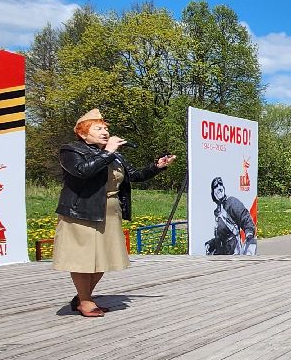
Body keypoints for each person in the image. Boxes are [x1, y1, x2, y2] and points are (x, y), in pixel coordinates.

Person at [53, 108, 176, 317]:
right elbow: (83, 171)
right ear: (83, 133)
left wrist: (156, 167)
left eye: (105, 128)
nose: (104, 132)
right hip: (82, 212)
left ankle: (83, 296)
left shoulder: (114, 156)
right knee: (83, 259)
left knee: (104, 258)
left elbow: (134, 175)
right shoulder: (71, 150)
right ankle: (85, 301)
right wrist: (107, 152)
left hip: (109, 211)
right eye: (98, 128)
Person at [205, 176, 256, 256]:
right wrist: (211, 244)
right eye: (216, 186)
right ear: (213, 192)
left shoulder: (232, 202)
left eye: (220, 185)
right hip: (222, 254)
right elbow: (222, 237)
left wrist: (249, 236)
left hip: (233, 253)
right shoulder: (218, 211)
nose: (219, 188)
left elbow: (246, 219)